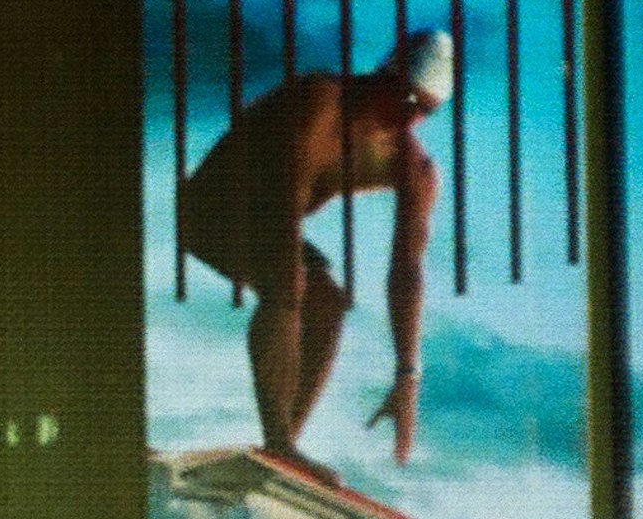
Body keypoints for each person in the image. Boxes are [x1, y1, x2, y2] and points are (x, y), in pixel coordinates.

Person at [177, 26, 451, 482]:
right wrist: (292, 283)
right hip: (208, 207)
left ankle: (282, 451)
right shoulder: (321, 104)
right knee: (293, 280)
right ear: (382, 76)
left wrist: (407, 377)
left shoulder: (414, 166)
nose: (410, 119)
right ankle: (280, 444)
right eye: (405, 100)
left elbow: (408, 270)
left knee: (329, 303)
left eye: (425, 110)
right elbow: (285, 208)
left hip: (264, 223)